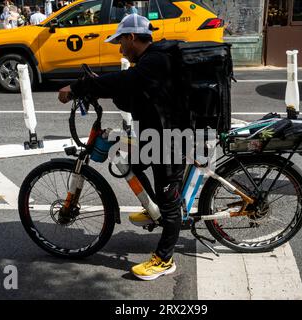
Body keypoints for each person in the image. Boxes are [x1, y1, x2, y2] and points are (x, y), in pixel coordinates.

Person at [58, 14, 185, 281]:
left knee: (170, 203)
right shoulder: (150, 60)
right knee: (133, 165)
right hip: (157, 135)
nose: (119, 48)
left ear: (131, 37)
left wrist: (79, 87)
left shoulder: (156, 60)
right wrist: (99, 89)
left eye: (120, 41)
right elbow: (132, 94)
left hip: (173, 139)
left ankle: (164, 260)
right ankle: (157, 210)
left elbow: (123, 82)